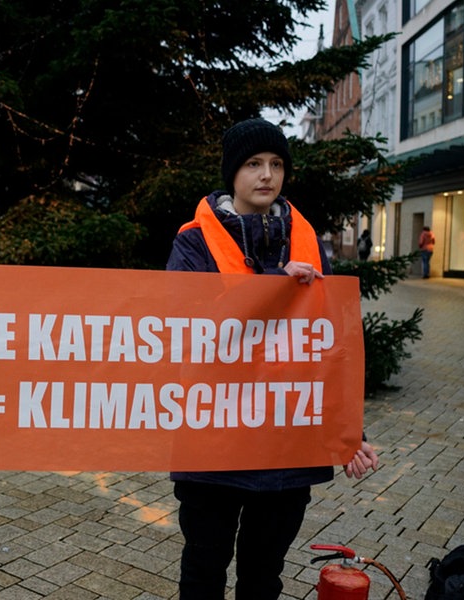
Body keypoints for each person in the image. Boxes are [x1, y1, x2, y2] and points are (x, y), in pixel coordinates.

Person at [166, 118, 379, 600]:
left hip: (285, 447)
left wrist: (350, 432)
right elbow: (186, 330)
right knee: (204, 570)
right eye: (253, 164)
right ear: (232, 173)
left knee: (263, 576)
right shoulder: (194, 243)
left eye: (276, 164)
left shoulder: (308, 242)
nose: (267, 175)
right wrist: (273, 287)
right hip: (213, 442)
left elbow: (329, 346)